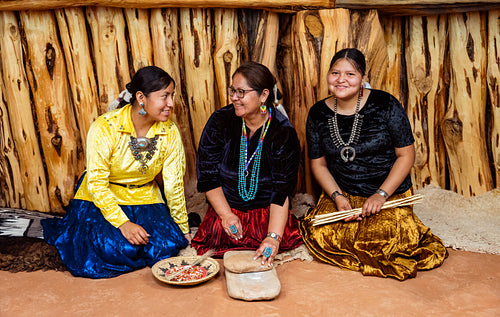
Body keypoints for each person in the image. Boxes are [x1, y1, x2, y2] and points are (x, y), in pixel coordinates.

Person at [299, 48, 448, 280]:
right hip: (345, 192)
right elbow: (319, 165)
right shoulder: (318, 113)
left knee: (388, 239)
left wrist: (380, 195)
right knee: (322, 234)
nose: (341, 80)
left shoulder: (385, 104)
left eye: (350, 74)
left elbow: (406, 156)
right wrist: (337, 197)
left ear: (363, 79)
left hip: (388, 192)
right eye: (335, 72)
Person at [42, 66, 191, 278]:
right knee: (114, 249)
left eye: (172, 96)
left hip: (144, 196)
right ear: (141, 97)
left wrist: (183, 229)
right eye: (164, 96)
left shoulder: (170, 132)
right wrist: (123, 223)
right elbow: (97, 183)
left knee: (166, 244)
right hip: (103, 196)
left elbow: (174, 184)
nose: (171, 104)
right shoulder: (105, 127)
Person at [191, 62, 303, 267]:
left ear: (263, 95)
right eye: (232, 91)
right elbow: (207, 176)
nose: (234, 97)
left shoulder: (282, 132)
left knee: (269, 244)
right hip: (228, 209)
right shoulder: (220, 121)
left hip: (266, 214)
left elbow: (281, 191)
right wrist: (225, 215)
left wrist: (273, 237)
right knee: (220, 240)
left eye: (241, 92)